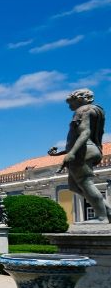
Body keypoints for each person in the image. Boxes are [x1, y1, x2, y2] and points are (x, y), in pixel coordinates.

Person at [48, 88, 109, 222]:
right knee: (74, 186)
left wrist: (72, 153)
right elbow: (81, 139)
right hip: (88, 149)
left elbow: (85, 133)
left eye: (71, 102)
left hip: (83, 152)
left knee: (86, 184)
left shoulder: (83, 110)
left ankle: (102, 217)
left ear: (80, 99)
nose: (69, 105)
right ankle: (107, 211)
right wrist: (61, 153)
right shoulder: (95, 110)